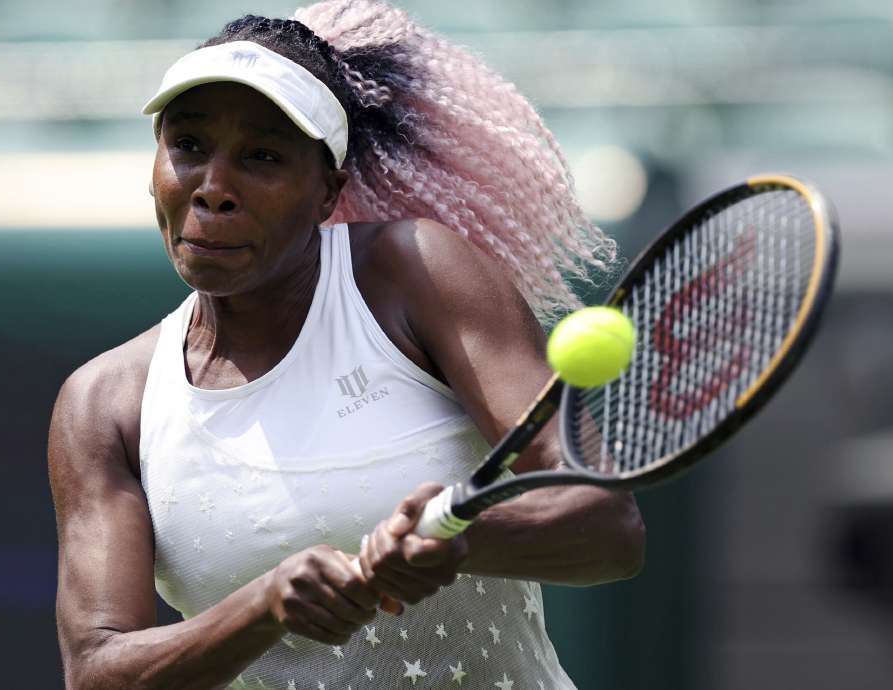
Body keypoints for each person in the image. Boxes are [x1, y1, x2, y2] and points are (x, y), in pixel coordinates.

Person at [47, 2, 645, 688]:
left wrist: (457, 542)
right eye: (187, 146)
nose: (214, 188)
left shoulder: (419, 272)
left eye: (263, 157)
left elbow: (607, 525)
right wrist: (264, 606)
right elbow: (98, 673)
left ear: (327, 191)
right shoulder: (104, 404)